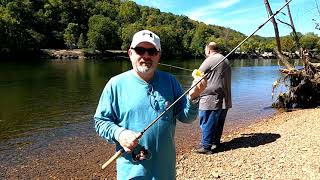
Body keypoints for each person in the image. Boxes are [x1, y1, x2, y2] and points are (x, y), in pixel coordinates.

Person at [94, 30, 207, 179]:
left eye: (152, 51)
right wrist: (120, 134)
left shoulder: (171, 81)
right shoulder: (115, 84)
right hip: (132, 173)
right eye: (140, 50)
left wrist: (193, 97)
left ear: (158, 55)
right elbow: (101, 122)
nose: (146, 56)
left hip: (165, 172)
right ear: (130, 53)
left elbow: (186, 117)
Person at [194, 42, 232, 154]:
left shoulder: (210, 59)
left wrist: (194, 74)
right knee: (218, 122)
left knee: (207, 121)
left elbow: (198, 75)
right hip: (225, 99)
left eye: (205, 50)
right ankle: (215, 142)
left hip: (211, 99)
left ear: (208, 50)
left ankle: (206, 146)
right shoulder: (225, 60)